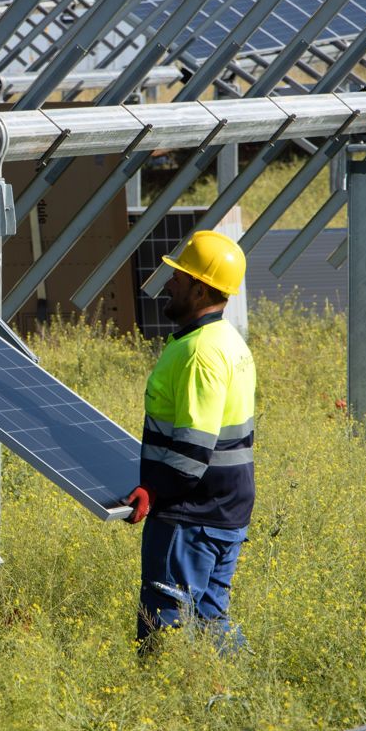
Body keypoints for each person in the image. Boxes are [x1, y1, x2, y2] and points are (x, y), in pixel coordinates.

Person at [122, 230, 256, 654]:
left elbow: (194, 448)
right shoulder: (229, 342)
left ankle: (161, 707)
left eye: (178, 278)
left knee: (166, 625)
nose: (169, 283)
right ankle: (238, 700)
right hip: (226, 509)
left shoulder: (200, 352)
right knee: (212, 620)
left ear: (199, 290)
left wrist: (153, 491)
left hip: (191, 513)